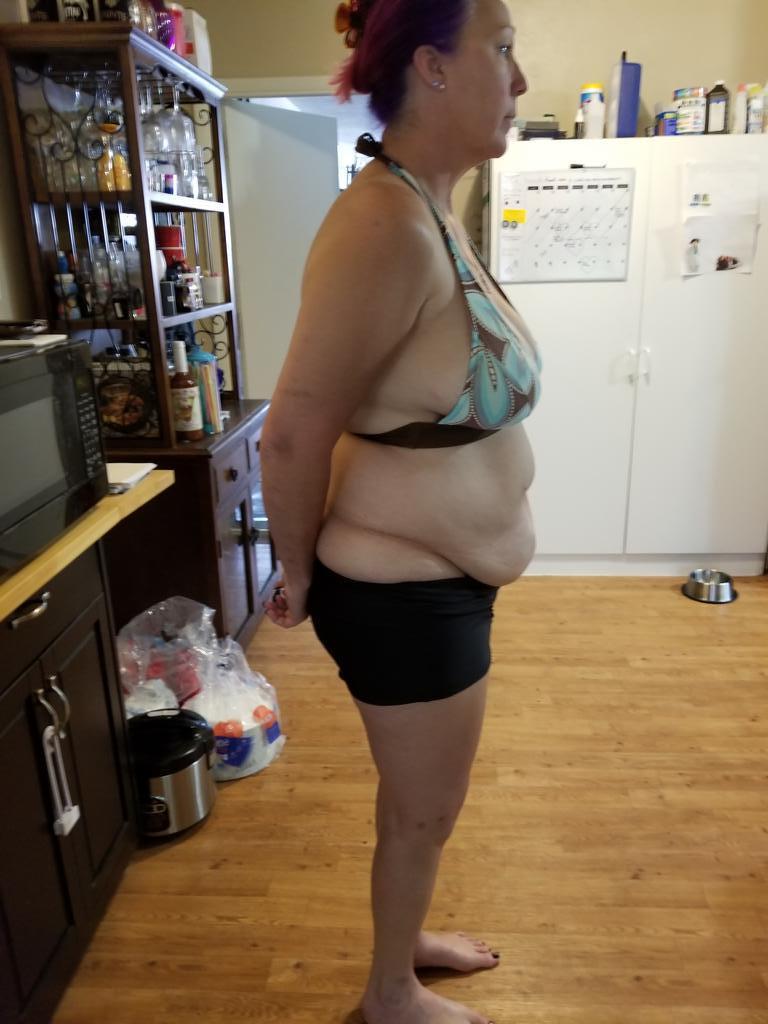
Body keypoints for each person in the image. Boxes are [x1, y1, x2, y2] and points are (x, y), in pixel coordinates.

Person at [261, 2, 537, 1021]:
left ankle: (403, 937)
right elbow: (293, 430)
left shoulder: (428, 206)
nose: (519, 79)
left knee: (420, 800)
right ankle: (390, 994)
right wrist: (294, 571)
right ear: (432, 65)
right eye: (502, 49)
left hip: (439, 586)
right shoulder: (383, 226)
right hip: (403, 597)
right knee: (426, 808)